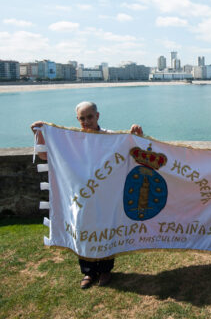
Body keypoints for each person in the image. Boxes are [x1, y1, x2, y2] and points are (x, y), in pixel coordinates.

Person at [31, 101, 143, 289]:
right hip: (81, 197)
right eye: (82, 118)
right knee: (83, 231)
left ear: (97, 116)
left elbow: (131, 151)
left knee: (107, 229)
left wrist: (136, 135)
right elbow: (45, 156)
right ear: (77, 119)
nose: (86, 121)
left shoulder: (109, 137)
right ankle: (89, 273)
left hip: (107, 196)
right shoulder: (70, 140)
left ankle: (106, 270)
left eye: (89, 117)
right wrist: (39, 133)